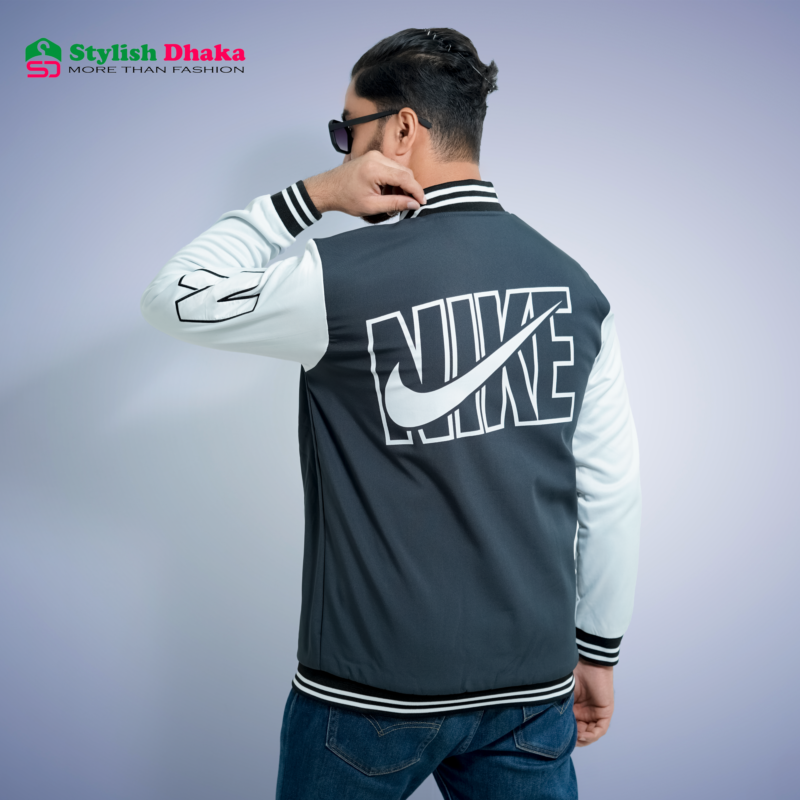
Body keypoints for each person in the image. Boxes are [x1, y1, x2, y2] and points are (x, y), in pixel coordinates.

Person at [140, 26, 641, 800]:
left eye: (348, 130)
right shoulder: (575, 288)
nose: (344, 152)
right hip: (528, 692)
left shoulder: (333, 280)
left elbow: (172, 296)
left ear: (401, 130)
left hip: (367, 694)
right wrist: (597, 649)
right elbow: (610, 491)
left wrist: (313, 195)